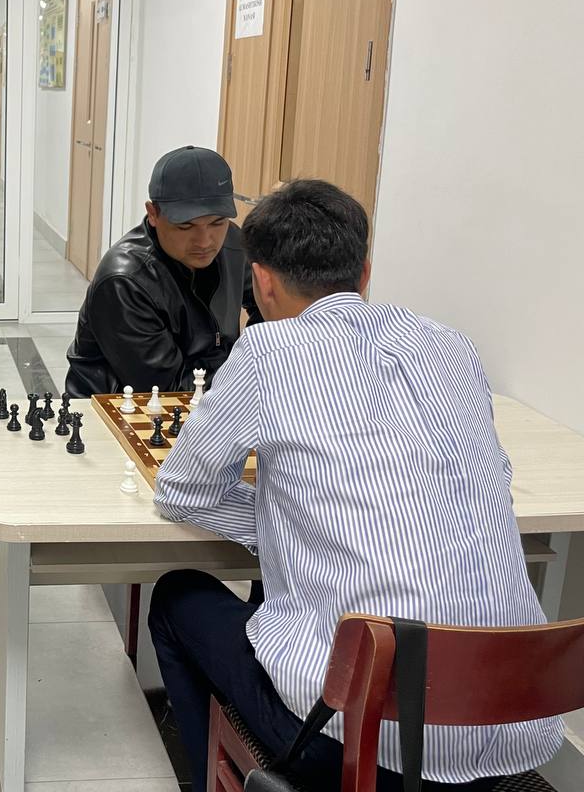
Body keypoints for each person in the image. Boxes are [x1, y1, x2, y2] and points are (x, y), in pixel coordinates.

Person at [147, 179, 562, 792]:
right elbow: (494, 474)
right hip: (510, 725)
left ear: (261, 282)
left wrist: (283, 525)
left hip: (362, 748)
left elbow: (182, 491)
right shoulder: (449, 345)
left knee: (177, 598)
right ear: (365, 272)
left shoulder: (269, 350)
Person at [65, 145, 259, 398]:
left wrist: (260, 358)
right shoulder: (124, 281)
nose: (204, 241)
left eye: (217, 222)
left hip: (211, 394)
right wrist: (251, 372)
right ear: (153, 214)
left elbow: (270, 308)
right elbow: (169, 390)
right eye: (185, 226)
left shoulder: (232, 243)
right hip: (123, 408)